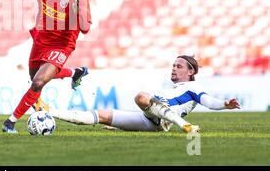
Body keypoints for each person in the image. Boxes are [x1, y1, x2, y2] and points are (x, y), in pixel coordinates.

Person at [2, 0, 92, 133]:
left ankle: (10, 122)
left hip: (62, 45)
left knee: (38, 82)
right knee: (34, 77)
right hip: (41, 39)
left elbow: (85, 28)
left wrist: (76, 10)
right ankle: (75, 72)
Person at [50, 55, 241, 133]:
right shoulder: (172, 87)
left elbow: (208, 101)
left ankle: (185, 125)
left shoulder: (194, 87)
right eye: (173, 65)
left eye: (179, 66)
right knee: (101, 115)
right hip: (149, 120)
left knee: (141, 97)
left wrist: (225, 105)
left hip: (163, 121)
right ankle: (51, 112)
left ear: (190, 72)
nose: (174, 69)